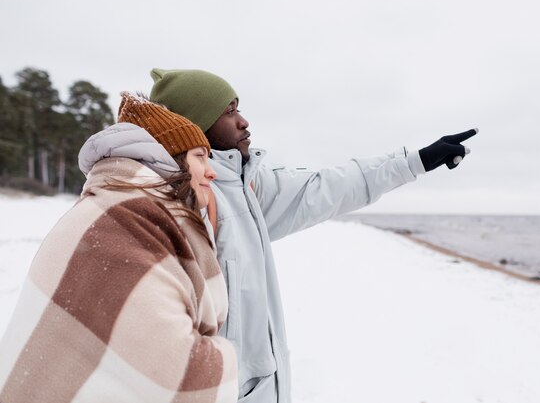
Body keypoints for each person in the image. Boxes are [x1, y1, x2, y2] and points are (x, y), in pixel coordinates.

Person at [150, 68, 479, 403]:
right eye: (229, 111)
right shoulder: (186, 205)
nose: (244, 121)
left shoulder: (245, 188)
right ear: (196, 124)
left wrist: (415, 162)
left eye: (239, 109)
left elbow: (327, 185)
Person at [0, 93, 238, 403]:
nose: (212, 171)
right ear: (171, 158)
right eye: (200, 156)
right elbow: (177, 377)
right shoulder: (127, 222)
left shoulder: (116, 208)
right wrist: (228, 359)